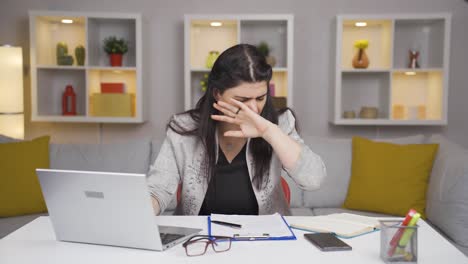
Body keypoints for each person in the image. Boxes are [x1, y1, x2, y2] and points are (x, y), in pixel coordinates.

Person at [147, 44, 326, 216]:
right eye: (243, 99)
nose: (254, 109)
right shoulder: (184, 128)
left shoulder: (280, 124)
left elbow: (313, 179)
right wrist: (142, 211)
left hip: (265, 239)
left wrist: (268, 131)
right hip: (201, 239)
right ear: (217, 94)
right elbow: (157, 189)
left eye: (260, 98)